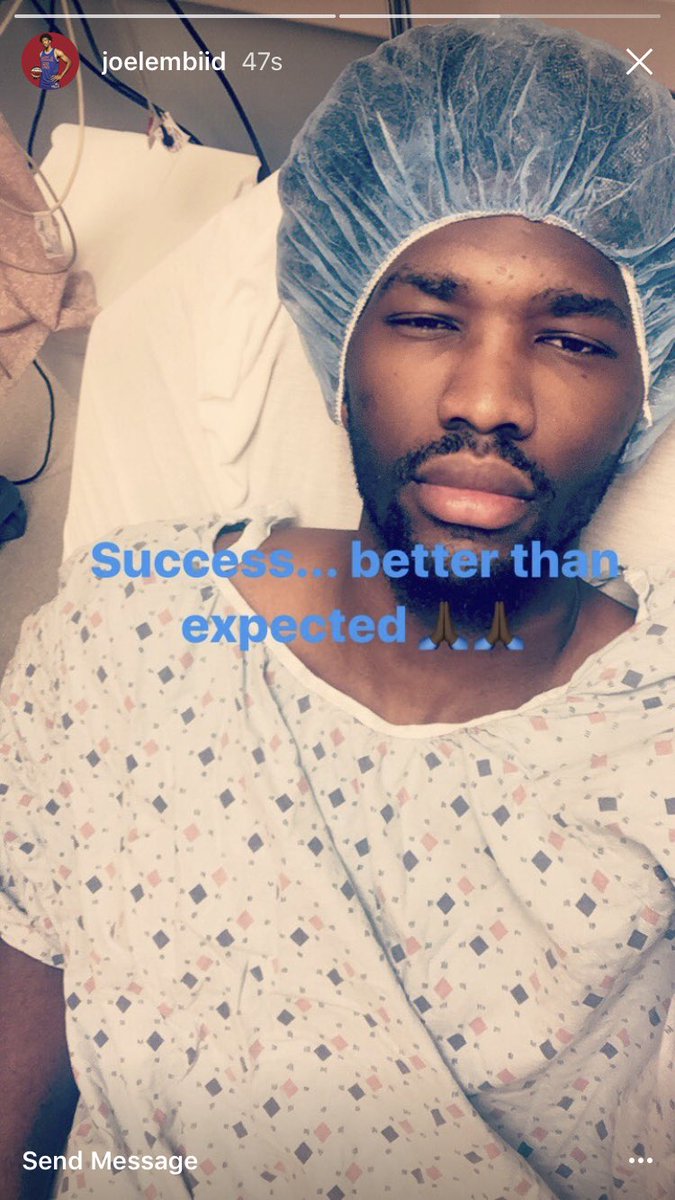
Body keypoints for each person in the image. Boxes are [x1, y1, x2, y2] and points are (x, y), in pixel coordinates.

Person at [1, 18, 674, 1200]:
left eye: (571, 338)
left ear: (647, 388)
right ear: (338, 340)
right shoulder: (121, 644)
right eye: (427, 319)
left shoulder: (654, 736)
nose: (488, 398)